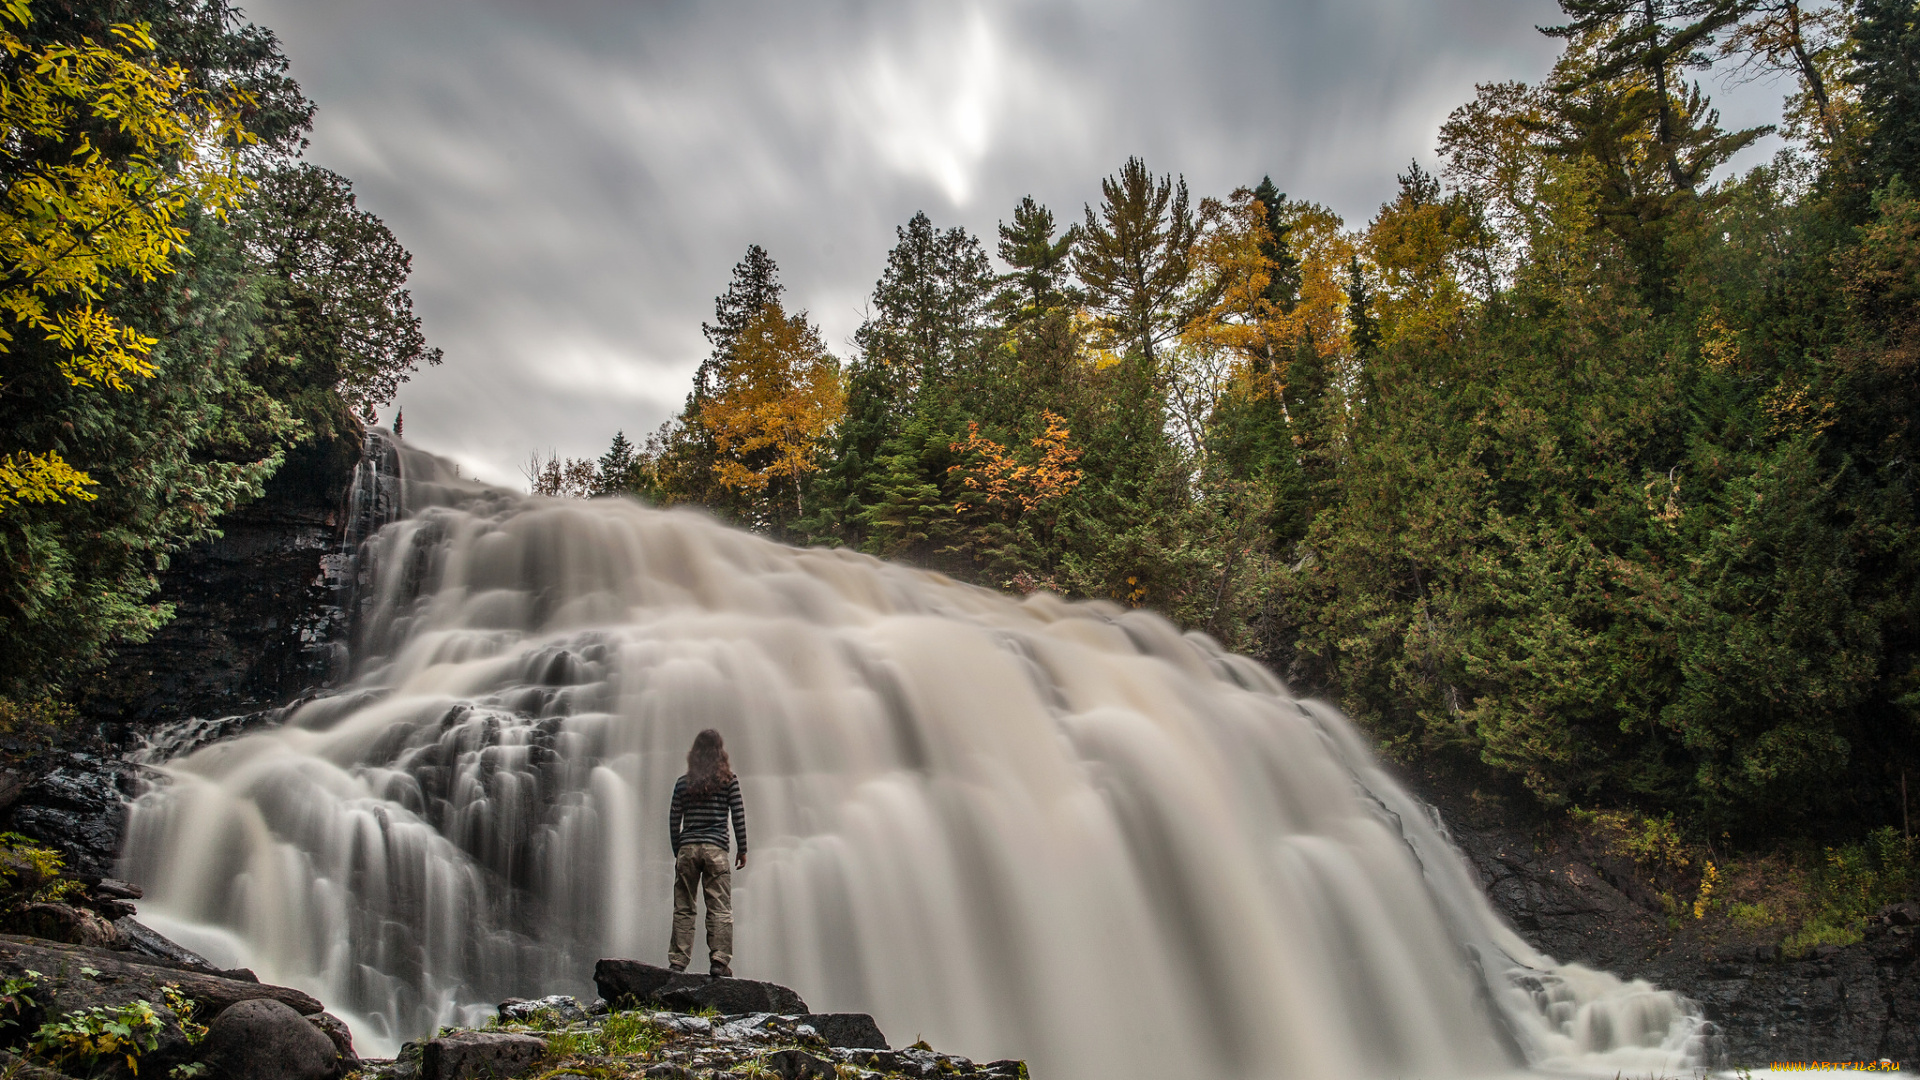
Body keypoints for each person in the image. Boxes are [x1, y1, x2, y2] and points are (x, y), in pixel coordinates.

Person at [667, 728, 747, 976]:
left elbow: (674, 819)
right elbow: (738, 815)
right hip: (716, 849)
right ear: (720, 753)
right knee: (719, 907)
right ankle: (719, 961)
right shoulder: (729, 781)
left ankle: (678, 962)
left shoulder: (683, 783)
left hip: (688, 848)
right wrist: (742, 848)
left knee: (684, 907)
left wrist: (678, 848)